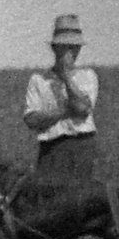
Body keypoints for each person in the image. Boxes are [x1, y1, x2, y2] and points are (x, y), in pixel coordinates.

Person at [23, 14, 98, 181]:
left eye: (75, 47)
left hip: (81, 147)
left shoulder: (87, 76)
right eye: (66, 47)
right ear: (55, 48)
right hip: (52, 148)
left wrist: (66, 78)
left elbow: (82, 109)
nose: (72, 52)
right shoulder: (38, 80)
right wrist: (62, 113)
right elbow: (31, 119)